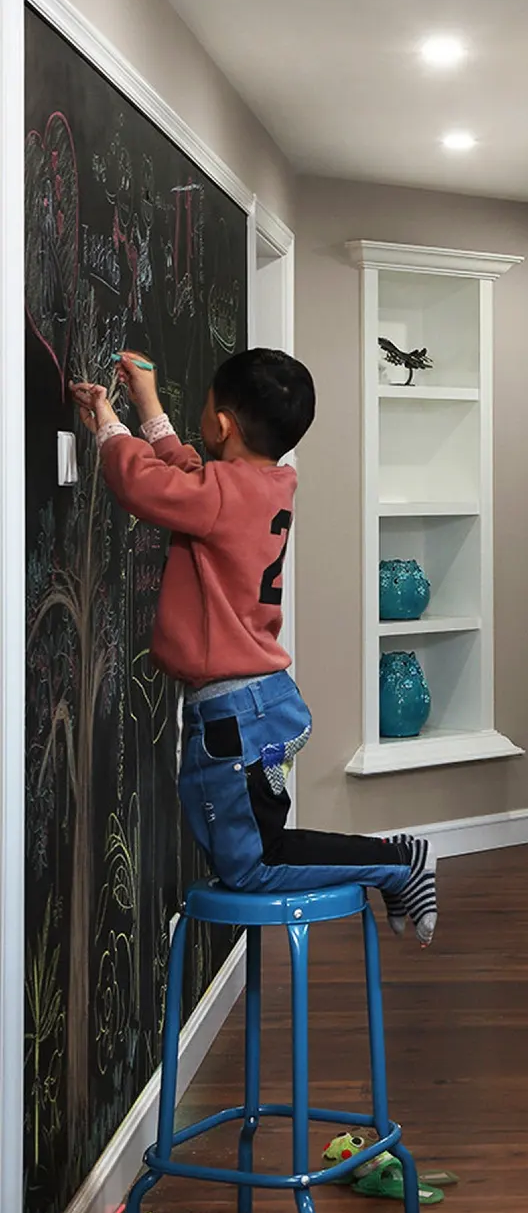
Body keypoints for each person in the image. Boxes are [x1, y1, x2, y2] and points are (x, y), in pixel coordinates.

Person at [69, 348, 439, 944]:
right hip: (249, 710)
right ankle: (394, 861)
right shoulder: (262, 486)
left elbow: (146, 484)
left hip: (238, 718)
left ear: (221, 425)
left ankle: (397, 862)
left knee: (254, 866)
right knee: (252, 855)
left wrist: (112, 424)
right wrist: (147, 406)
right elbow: (188, 478)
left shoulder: (222, 494)